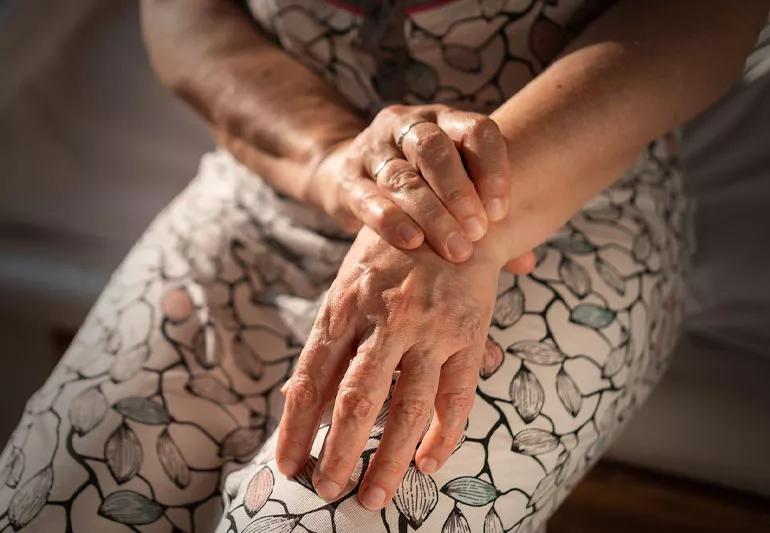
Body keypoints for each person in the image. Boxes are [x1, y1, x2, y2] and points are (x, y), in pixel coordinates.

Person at [0, 1, 766, 531]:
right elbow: (180, 12)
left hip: (564, 192)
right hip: (280, 176)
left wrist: (464, 221)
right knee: (56, 501)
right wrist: (333, 161)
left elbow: (707, 14)